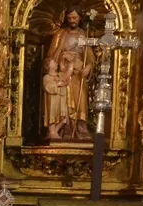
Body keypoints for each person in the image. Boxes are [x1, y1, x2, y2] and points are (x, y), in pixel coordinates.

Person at [44, 6, 93, 140]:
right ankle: (65, 130)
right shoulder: (60, 34)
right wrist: (63, 57)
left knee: (80, 100)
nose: (72, 20)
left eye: (75, 17)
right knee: (64, 101)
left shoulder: (84, 33)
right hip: (64, 73)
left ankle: (81, 129)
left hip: (78, 75)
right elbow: (50, 56)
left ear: (80, 18)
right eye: (69, 18)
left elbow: (90, 57)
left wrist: (88, 67)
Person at [43, 58, 70, 140]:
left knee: (64, 117)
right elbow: (47, 87)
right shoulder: (46, 77)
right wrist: (58, 84)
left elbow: (66, 80)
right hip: (52, 101)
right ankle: (52, 132)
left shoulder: (60, 75)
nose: (56, 63)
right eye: (53, 62)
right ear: (48, 65)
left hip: (61, 99)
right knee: (52, 116)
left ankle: (54, 131)